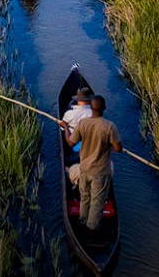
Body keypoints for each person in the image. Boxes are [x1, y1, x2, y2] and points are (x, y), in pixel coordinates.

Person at [58, 95, 122, 233]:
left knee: (85, 198)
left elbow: (70, 142)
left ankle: (82, 221)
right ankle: (91, 230)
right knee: (97, 203)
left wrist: (65, 128)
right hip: (100, 173)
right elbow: (118, 149)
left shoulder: (83, 124)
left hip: (84, 170)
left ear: (91, 108)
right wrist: (112, 142)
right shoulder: (110, 126)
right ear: (104, 108)